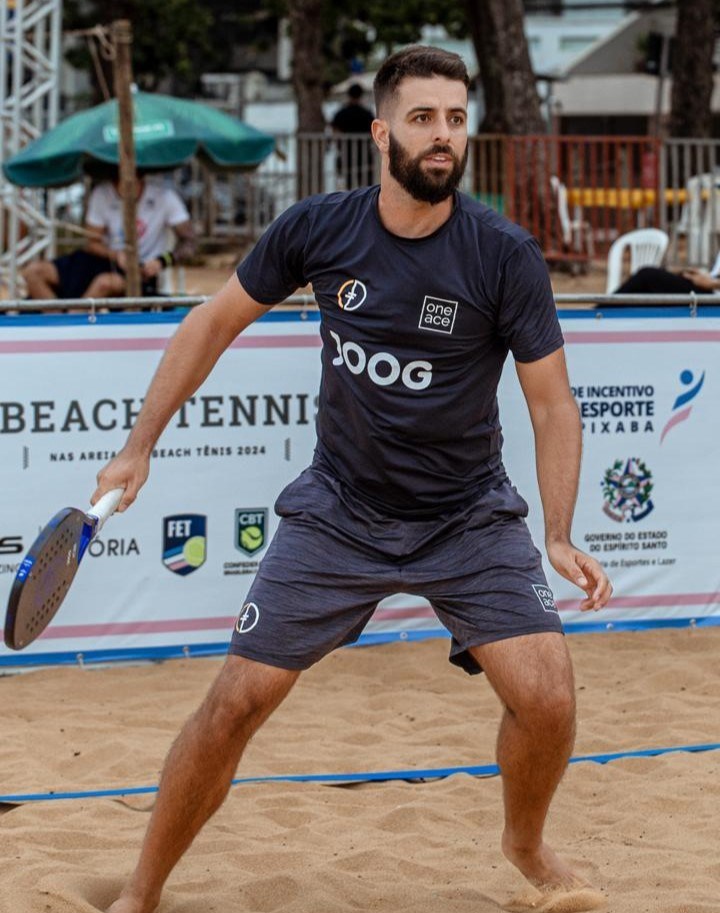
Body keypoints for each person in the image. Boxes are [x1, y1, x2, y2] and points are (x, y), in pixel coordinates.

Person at [99, 46, 612, 913]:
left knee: (549, 699)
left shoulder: (502, 253)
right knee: (235, 703)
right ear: (382, 134)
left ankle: (522, 841)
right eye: (423, 118)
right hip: (339, 510)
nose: (443, 137)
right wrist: (139, 443)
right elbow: (212, 322)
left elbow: (554, 405)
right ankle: (141, 890)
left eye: (455, 119)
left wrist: (557, 531)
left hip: (467, 516)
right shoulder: (320, 229)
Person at [21, 175, 195, 301]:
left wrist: (162, 261)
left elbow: (190, 242)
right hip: (104, 261)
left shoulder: (165, 197)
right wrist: (116, 255)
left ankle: (73, 325)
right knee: (33, 272)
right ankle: (58, 324)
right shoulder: (102, 193)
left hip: (142, 272)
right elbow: (92, 242)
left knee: (104, 284)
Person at [613, 250, 720, 295]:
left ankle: (601, 312)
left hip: (713, 291)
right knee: (648, 282)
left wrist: (712, 283)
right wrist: (704, 276)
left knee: (647, 276)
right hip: (710, 285)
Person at [331, 82, 376, 188]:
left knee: (348, 186)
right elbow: (373, 132)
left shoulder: (341, 113)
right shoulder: (367, 113)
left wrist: (338, 145)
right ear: (361, 95)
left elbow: (335, 132)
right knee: (366, 187)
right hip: (364, 154)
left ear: (348, 95)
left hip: (347, 154)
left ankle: (350, 204)